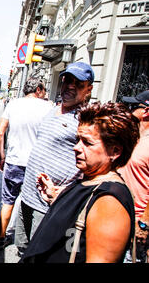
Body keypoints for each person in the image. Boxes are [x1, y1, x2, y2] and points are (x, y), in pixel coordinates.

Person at [20, 101, 139, 263]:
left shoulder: (110, 202)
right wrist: (55, 197)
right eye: (77, 140)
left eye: (87, 142)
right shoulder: (89, 180)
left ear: (115, 151)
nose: (76, 147)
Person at [15, 62, 94, 256]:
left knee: (40, 254)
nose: (70, 86)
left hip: (49, 204)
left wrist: (70, 192)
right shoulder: (53, 109)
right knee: (22, 249)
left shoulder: (86, 119)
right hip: (27, 197)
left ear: (88, 89)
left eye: (78, 83)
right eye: (67, 80)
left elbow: (93, 163)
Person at [0, 78, 52, 250]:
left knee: (8, 201)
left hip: (13, 161)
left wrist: (2, 157)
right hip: (36, 164)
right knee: (32, 202)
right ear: (39, 89)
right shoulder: (49, 108)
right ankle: (27, 243)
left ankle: (1, 237)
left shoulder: (13, 104)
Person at [119, 90, 149, 263]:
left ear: (146, 111)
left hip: (136, 224)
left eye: (134, 107)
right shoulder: (133, 136)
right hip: (119, 217)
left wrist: (144, 224)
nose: (129, 110)